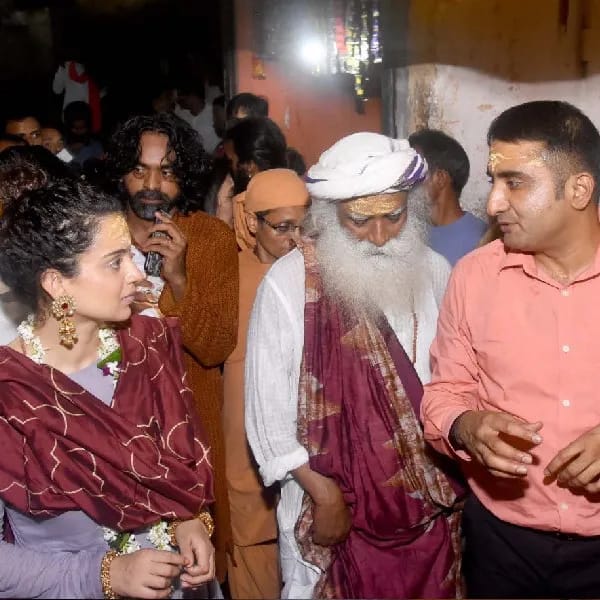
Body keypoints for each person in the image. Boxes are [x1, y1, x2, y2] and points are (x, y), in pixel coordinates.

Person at [245, 132, 463, 599]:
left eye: (394, 216)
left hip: (430, 511)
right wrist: (322, 494)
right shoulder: (288, 284)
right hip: (330, 505)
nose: (380, 236)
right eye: (359, 221)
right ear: (329, 216)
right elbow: (268, 417)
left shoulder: (437, 270)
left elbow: (452, 383)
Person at [0, 177, 219, 599]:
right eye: (115, 261)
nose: (138, 275)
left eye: (131, 258)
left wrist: (189, 519)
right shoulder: (10, 393)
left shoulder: (147, 349)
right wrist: (104, 575)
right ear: (56, 283)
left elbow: (178, 474)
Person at [421, 100, 600, 599]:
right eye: (494, 182)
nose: (495, 203)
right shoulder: (476, 277)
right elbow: (445, 392)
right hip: (503, 544)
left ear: (578, 189)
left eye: (515, 182)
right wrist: (464, 426)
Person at [105, 112, 238, 585]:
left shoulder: (210, 239)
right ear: (121, 170)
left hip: (190, 433)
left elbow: (215, 347)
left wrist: (178, 278)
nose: (153, 184)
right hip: (109, 429)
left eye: (167, 171)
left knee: (192, 569)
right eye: (140, 169)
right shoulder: (96, 234)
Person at [224, 169, 310, 599]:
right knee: (253, 544)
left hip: (304, 433)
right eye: (282, 227)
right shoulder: (226, 275)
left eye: (303, 226)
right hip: (241, 434)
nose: (295, 238)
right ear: (252, 223)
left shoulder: (318, 272)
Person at [409, 129, 487, 266]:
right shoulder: (408, 234)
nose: (406, 182)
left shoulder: (482, 241)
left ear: (440, 178)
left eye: (414, 172)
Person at [219, 117, 287, 227]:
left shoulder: (251, 208)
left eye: (231, 161)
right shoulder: (294, 193)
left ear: (249, 166)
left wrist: (224, 212)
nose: (230, 167)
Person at [176, 79, 221, 154]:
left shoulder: (213, 112)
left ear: (192, 96)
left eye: (183, 98)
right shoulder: (181, 114)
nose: (180, 101)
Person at [63, 101, 104, 168]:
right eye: (74, 128)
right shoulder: (60, 144)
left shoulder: (95, 146)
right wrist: (69, 149)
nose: (78, 131)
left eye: (82, 128)